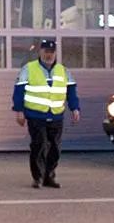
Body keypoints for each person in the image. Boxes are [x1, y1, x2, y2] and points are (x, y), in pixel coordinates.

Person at [13, 39, 80, 188]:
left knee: (55, 147)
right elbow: (18, 92)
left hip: (56, 115)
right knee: (40, 145)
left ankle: (49, 176)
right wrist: (19, 111)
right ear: (40, 52)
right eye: (46, 52)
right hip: (36, 115)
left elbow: (72, 92)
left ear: (55, 53)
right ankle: (38, 177)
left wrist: (75, 108)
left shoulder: (63, 71)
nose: (49, 55)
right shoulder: (29, 69)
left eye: (51, 52)